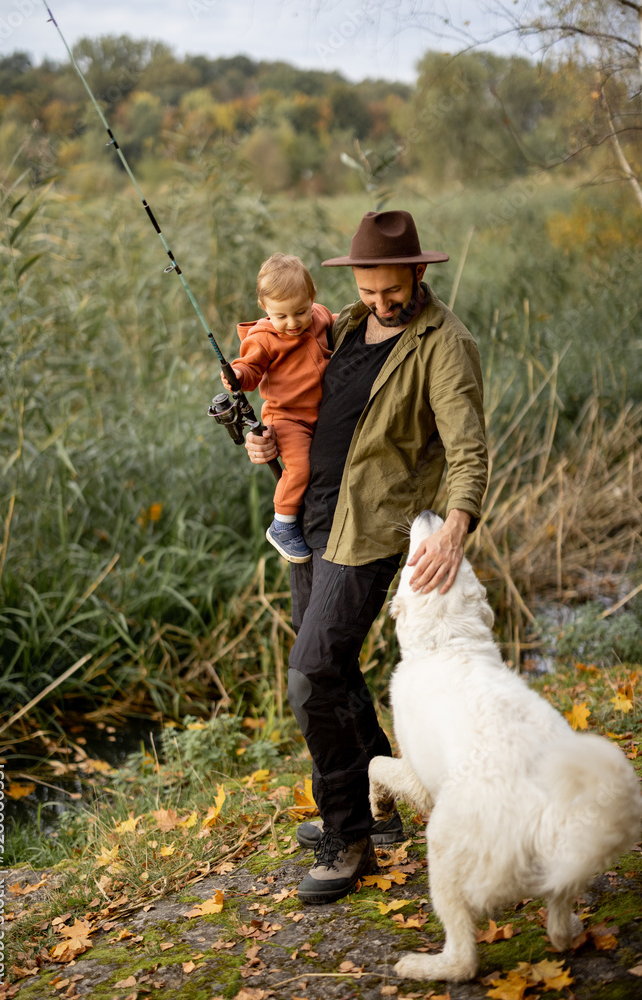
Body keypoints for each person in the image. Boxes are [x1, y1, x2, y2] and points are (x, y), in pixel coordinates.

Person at [245, 210, 489, 905]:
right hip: (311, 516)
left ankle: (345, 834)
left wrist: (455, 526)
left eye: (392, 291)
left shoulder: (445, 343)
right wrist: (261, 442)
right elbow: (299, 400)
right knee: (332, 667)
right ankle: (375, 803)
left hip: (371, 529)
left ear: (418, 273)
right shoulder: (343, 325)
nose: (380, 303)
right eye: (369, 291)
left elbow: (468, 445)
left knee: (311, 674)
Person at [222, 253, 334, 563]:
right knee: (300, 467)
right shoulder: (265, 339)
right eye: (280, 316)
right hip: (287, 418)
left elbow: (340, 326)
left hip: (321, 413)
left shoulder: (321, 316)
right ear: (265, 309)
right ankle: (282, 524)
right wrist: (238, 376)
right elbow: (250, 367)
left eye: (301, 311)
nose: (293, 323)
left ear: (312, 298)